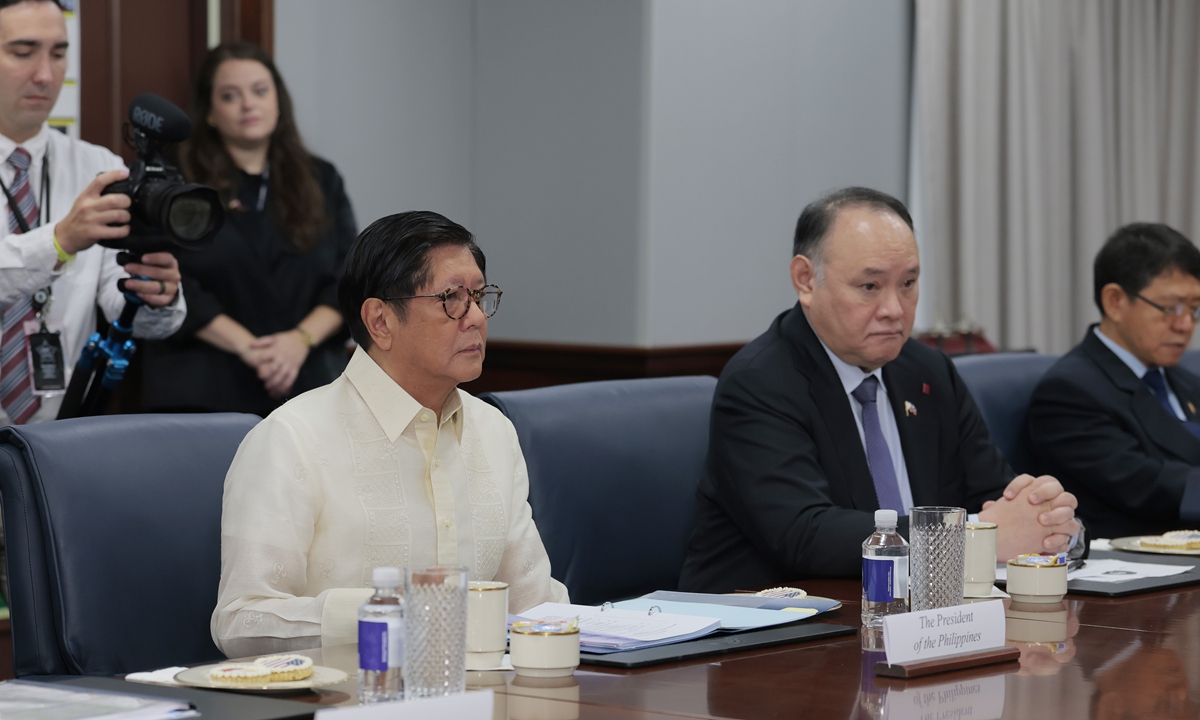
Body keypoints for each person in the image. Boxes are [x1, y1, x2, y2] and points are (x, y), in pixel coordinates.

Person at [679, 187, 1081, 593]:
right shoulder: (761, 381)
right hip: (777, 628)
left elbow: (995, 494)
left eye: (908, 283)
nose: (895, 308)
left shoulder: (926, 372)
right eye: (870, 287)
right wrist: (976, 537)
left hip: (917, 617)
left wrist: (1048, 521)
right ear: (805, 280)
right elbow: (805, 534)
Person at [212, 211, 568, 657]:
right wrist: (391, 613)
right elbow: (242, 621)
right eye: (452, 299)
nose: (476, 316)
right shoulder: (291, 438)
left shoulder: (493, 430)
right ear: (380, 321)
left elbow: (531, 602)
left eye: (479, 296)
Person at [141, 42, 356, 416]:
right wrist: (249, 348)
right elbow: (166, 280)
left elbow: (350, 278)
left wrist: (298, 342)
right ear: (209, 111)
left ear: (278, 101)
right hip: (205, 385)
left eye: (260, 91)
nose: (248, 105)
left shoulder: (322, 179)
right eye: (230, 95)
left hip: (310, 381)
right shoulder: (174, 183)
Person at [0, 0, 185, 425]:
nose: (45, 75)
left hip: (59, 439)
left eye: (59, 53)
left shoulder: (96, 167)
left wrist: (156, 296)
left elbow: (133, 317)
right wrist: (60, 241)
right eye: (23, 52)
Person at [1029, 224, 1200, 539]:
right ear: (1115, 301)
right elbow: (1144, 485)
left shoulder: (1189, 382)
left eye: (1194, 309)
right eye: (1170, 308)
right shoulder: (1069, 392)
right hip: (1138, 565)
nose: (1185, 324)